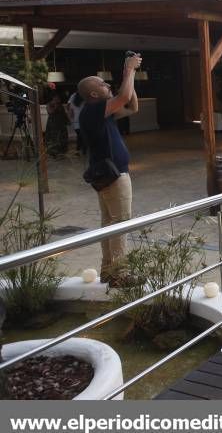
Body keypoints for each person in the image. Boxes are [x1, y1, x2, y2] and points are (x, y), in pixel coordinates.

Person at [77, 53, 141, 286]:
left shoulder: (101, 113)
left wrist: (127, 75)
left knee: (109, 224)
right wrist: (130, 70)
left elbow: (132, 105)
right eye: (102, 84)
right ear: (94, 94)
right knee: (120, 223)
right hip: (114, 176)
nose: (107, 85)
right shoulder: (93, 110)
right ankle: (119, 274)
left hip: (107, 175)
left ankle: (108, 270)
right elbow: (124, 95)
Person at [67, 91, 84, 155]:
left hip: (76, 122)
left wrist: (71, 120)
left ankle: (78, 150)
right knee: (82, 137)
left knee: (79, 137)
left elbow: (71, 113)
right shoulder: (85, 102)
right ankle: (82, 150)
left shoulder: (72, 103)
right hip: (83, 122)